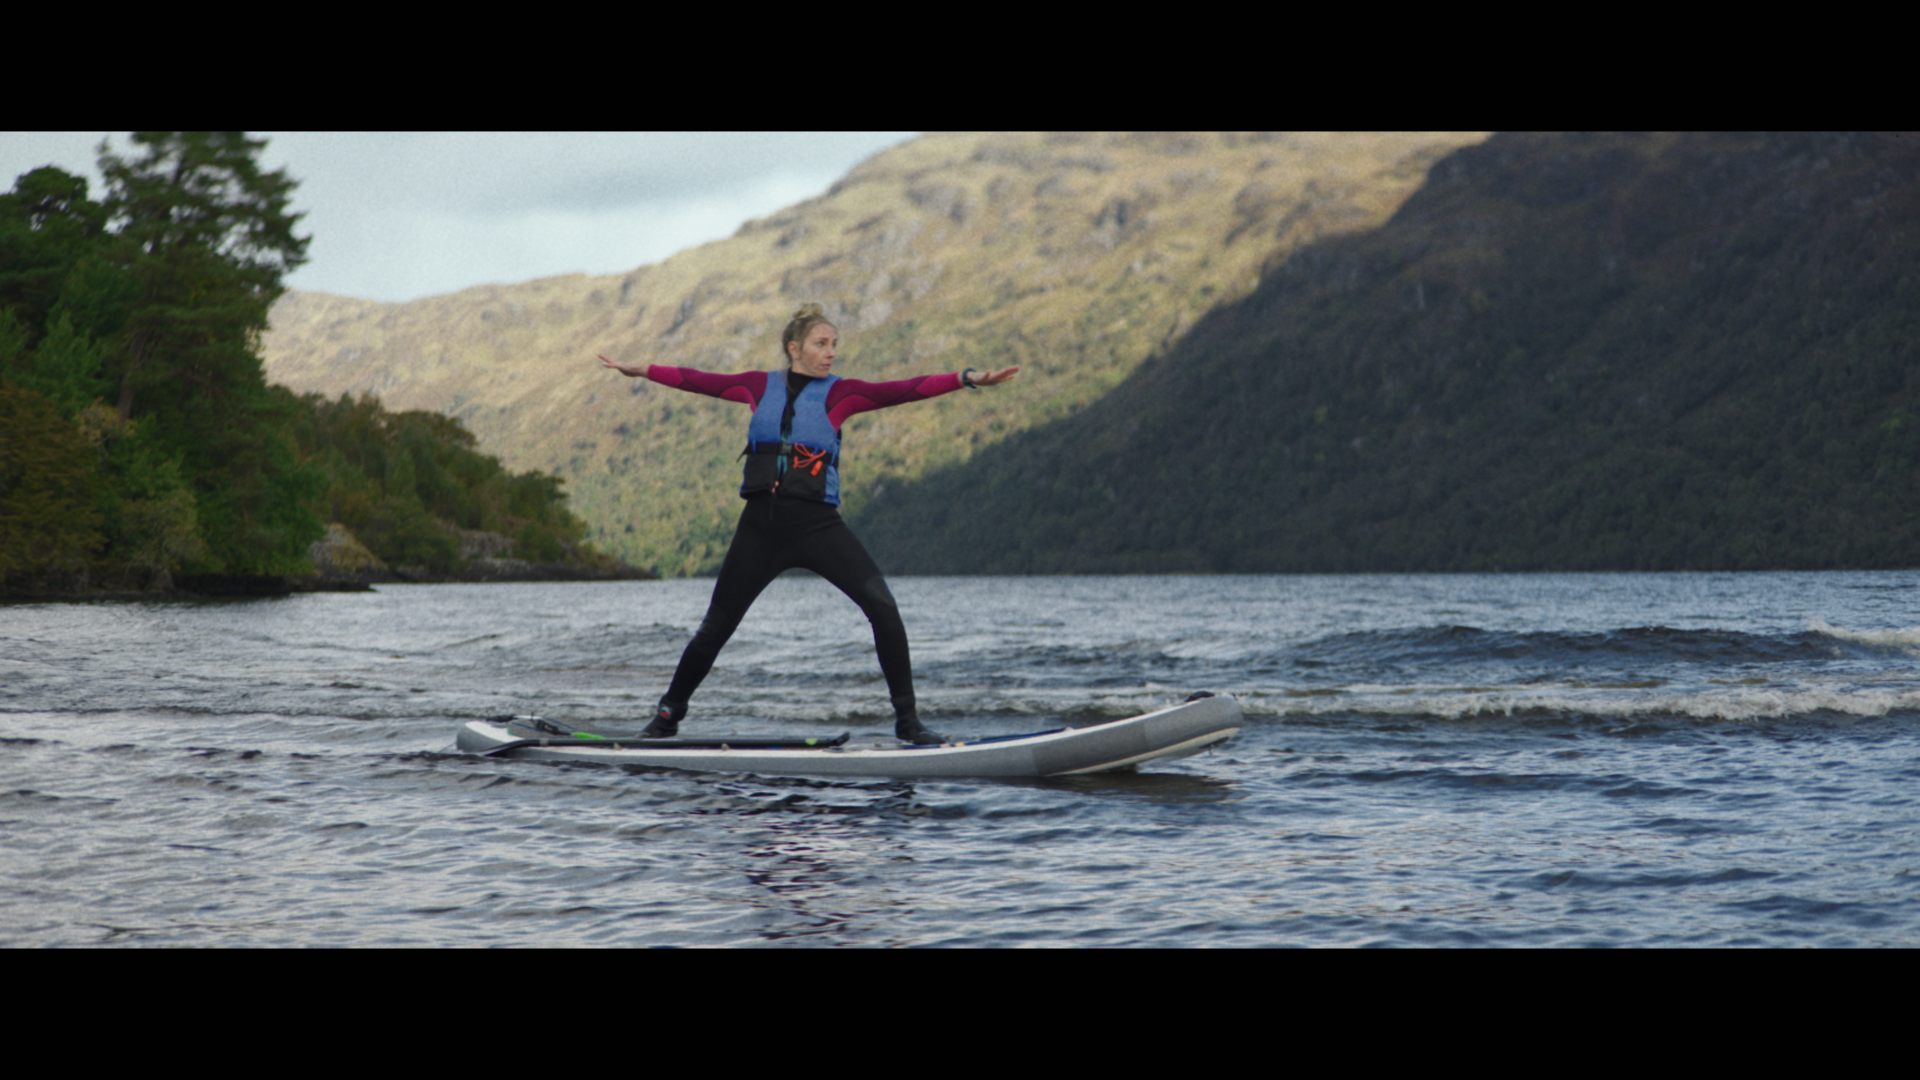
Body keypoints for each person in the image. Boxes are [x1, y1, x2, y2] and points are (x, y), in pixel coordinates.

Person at [599, 303, 1019, 744]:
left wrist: (965, 378)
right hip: (760, 528)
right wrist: (641, 370)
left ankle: (908, 722)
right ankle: (666, 717)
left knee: (883, 608)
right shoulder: (757, 386)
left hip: (817, 526)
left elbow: (906, 389)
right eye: (821, 344)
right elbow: (695, 378)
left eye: (834, 345)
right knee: (716, 627)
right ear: (793, 348)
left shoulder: (843, 394)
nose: (831, 353)